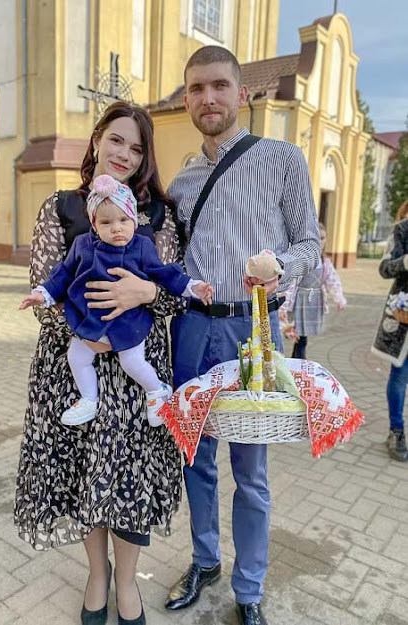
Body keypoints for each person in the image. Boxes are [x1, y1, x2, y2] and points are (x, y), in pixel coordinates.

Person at [165, 46, 321, 625]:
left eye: (219, 86)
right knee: (195, 457)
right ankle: (205, 559)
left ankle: (249, 588)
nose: (208, 98)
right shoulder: (181, 181)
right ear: (187, 99)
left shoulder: (282, 160)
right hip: (192, 331)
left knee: (250, 469)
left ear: (242, 93)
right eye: (197, 88)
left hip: (251, 331)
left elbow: (310, 243)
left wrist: (281, 267)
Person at [14, 102, 185, 625]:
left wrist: (145, 291)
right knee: (86, 474)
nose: (125, 155)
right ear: (95, 141)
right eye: (117, 141)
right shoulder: (61, 207)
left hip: (138, 370)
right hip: (75, 365)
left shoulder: (157, 216)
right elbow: (44, 284)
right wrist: (88, 328)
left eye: (137, 148)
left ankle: (128, 581)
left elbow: (176, 296)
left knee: (128, 477)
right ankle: (97, 574)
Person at [20, 174, 213, 427]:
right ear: (94, 225)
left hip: (128, 321)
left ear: (134, 220)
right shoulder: (82, 245)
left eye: (124, 220)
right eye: (106, 222)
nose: (117, 228)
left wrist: (192, 287)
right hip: (90, 318)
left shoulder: (142, 246)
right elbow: (62, 275)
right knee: (77, 358)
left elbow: (165, 274)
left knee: (132, 361)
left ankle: (156, 391)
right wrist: (43, 294)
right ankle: (89, 398)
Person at [372, 199, 408, 462]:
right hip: (404, 316)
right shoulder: (401, 231)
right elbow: (385, 268)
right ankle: (396, 430)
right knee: (400, 375)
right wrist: (405, 261)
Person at [283, 223, 347, 359]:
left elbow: (333, 281)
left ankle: (299, 359)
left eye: (323, 238)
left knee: (303, 336)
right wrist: (283, 306)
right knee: (291, 331)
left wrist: (339, 298)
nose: (320, 242)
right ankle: (295, 359)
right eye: (316, 238)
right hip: (297, 302)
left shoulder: (326, 262)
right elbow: (290, 284)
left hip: (313, 302)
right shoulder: (301, 260)